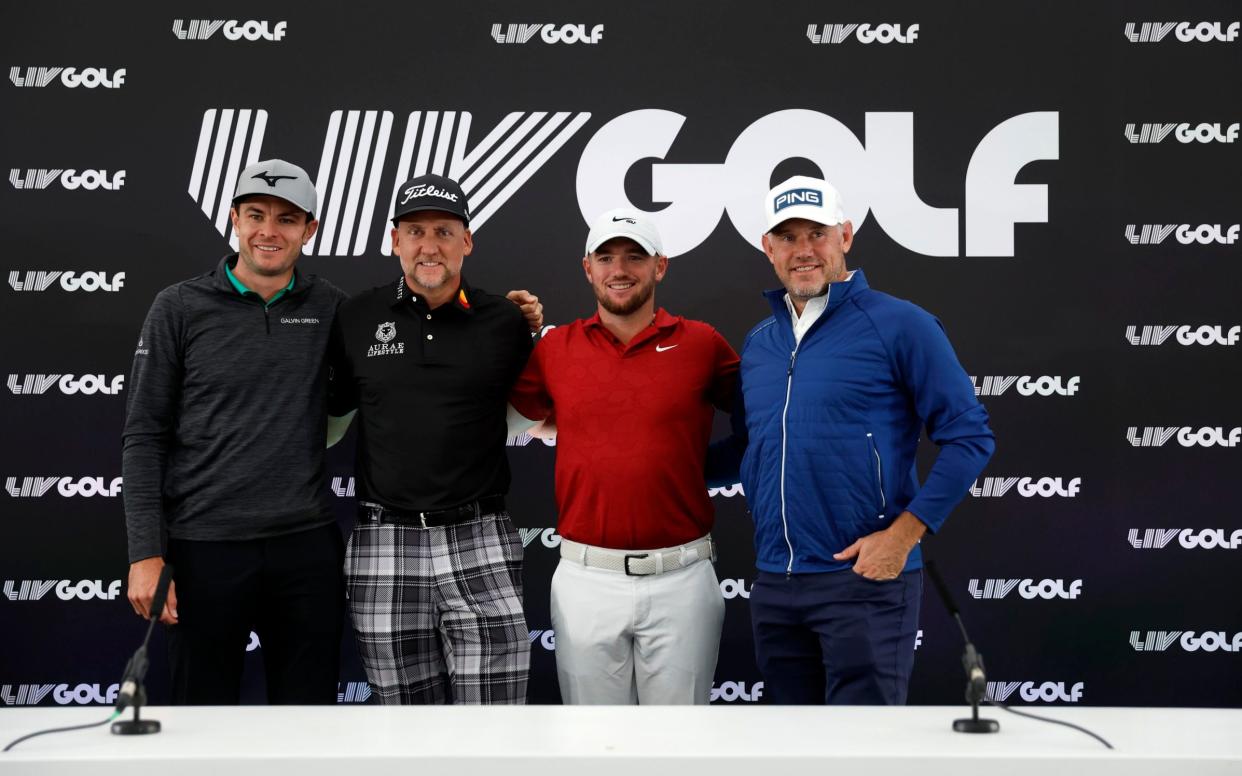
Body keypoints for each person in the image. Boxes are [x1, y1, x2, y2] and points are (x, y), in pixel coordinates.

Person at [711, 175, 994, 705]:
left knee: (864, 754)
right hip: (776, 582)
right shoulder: (760, 343)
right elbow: (748, 450)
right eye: (788, 237)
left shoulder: (902, 325)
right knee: (790, 753)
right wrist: (643, 463)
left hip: (863, 582)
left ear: (845, 235)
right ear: (766, 248)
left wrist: (902, 537)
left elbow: (970, 436)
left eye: (816, 233)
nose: (803, 251)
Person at [123, 159, 347, 704]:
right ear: (234, 219)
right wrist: (145, 554)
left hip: (305, 548)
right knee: (201, 721)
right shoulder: (178, 307)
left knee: (308, 720)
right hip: (205, 548)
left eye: (287, 219)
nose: (269, 231)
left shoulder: (333, 308)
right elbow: (145, 436)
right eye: (256, 215)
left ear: (309, 230)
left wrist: (506, 322)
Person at [508, 208, 740, 704]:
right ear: (587, 267)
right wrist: (499, 327)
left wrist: (693, 470)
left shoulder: (702, 344)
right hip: (586, 580)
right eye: (606, 257)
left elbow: (761, 429)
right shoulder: (556, 349)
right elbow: (505, 419)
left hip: (682, 578)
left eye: (635, 256)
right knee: (594, 746)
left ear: (660, 266)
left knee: (679, 747)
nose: (620, 269)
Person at [327, 174, 538, 704]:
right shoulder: (355, 317)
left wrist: (531, 323)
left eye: (444, 231)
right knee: (403, 730)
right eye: (415, 230)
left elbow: (531, 410)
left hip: (480, 535)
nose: (429, 245)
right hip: (384, 540)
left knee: (495, 726)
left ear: (466, 241)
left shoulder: (505, 320)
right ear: (394, 240)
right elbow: (327, 420)